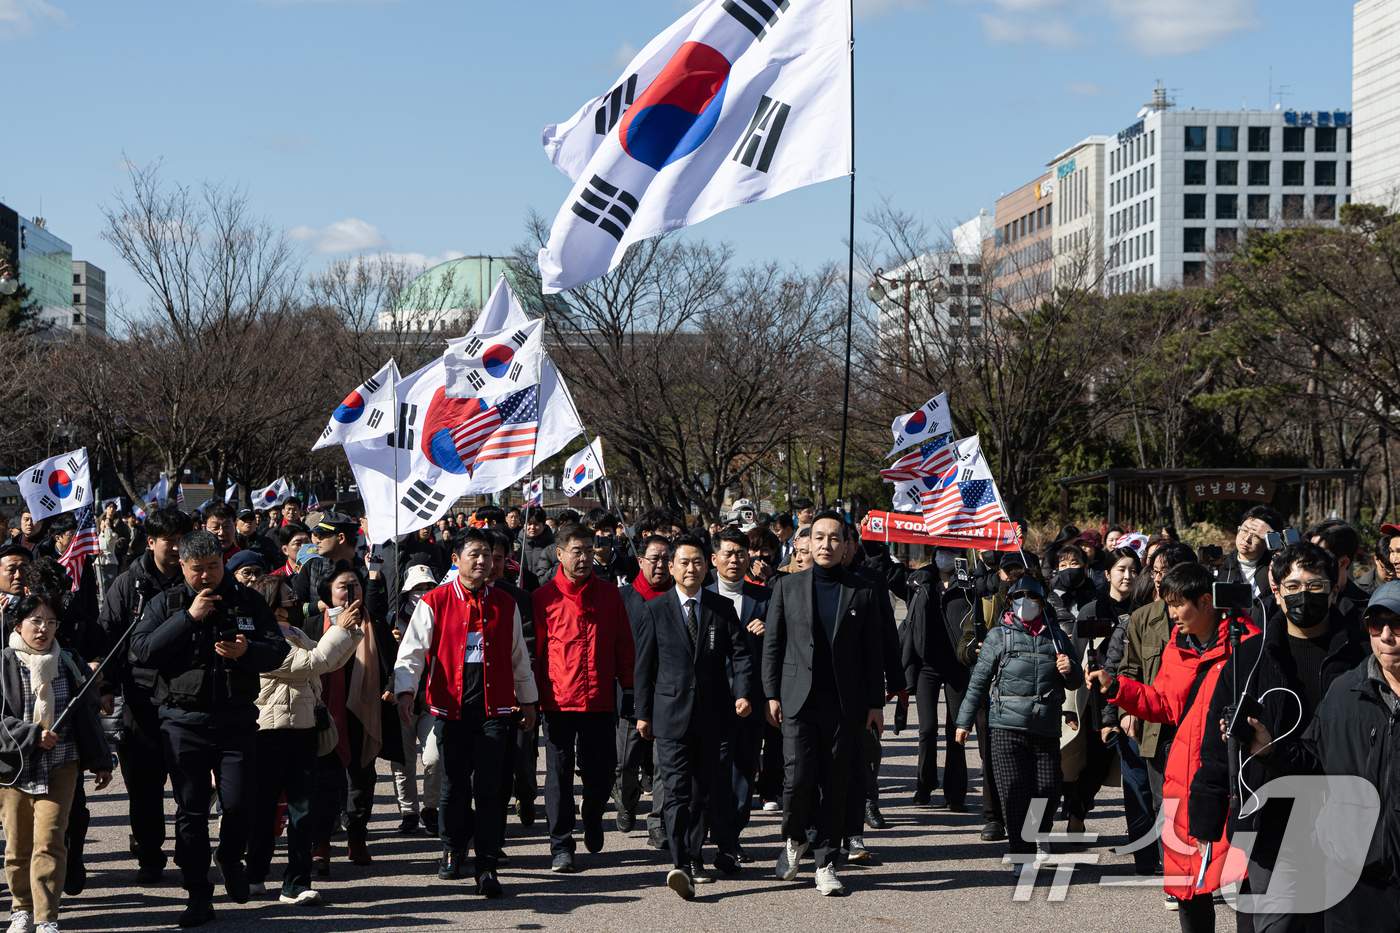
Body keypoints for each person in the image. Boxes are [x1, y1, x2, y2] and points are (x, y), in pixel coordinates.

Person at [1189, 541, 1368, 933]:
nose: (1304, 596)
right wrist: (1206, 818)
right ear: (1277, 592)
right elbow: (1219, 744)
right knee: (1276, 922)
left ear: (1335, 589)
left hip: (1348, 812)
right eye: (1293, 587)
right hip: (1271, 816)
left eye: (1316, 586)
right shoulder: (1250, 658)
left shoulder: (1362, 655)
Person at [129, 530, 290, 928]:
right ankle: (198, 892)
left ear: (223, 561)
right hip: (183, 722)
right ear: (182, 566)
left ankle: (230, 859)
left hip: (236, 721)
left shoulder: (247, 599)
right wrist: (188, 618)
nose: (207, 577)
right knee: (192, 811)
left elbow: (278, 650)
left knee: (239, 804)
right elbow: (142, 651)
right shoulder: (165, 602)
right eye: (197, 570)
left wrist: (248, 651)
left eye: (214, 567)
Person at [1087, 561, 1257, 932]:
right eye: (1167, 604)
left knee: (1247, 881)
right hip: (1183, 775)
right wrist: (1116, 689)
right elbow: (1164, 703)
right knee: (1187, 885)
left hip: (1237, 779)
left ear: (1206, 601)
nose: (1170, 614)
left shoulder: (1248, 645)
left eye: (1178, 605)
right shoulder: (1177, 647)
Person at [1235, 580, 1400, 931]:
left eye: (1398, 624)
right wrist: (1269, 749)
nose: (1387, 635)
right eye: (1376, 624)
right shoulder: (1345, 692)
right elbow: (1313, 764)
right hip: (1352, 878)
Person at [394, 528, 538, 897]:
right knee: (453, 787)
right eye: (474, 554)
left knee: (490, 790)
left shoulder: (506, 604)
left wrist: (528, 700)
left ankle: (487, 864)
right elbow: (411, 652)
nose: (482, 561)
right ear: (455, 560)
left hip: (496, 711)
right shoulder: (435, 601)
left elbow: (518, 657)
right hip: (451, 711)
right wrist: (406, 691)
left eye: (488, 555)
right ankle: (452, 847)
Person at [763, 511, 886, 897]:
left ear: (847, 544)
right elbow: (774, 644)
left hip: (844, 704)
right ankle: (794, 837)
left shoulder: (861, 591)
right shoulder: (786, 586)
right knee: (797, 779)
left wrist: (875, 704)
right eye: (819, 538)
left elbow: (872, 654)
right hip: (797, 700)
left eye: (835, 539)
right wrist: (770, 693)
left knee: (835, 784)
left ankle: (826, 862)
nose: (826, 545)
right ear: (808, 543)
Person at [635, 535, 753, 899]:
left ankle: (696, 856)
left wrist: (743, 692)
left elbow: (741, 655)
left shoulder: (720, 607)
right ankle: (680, 861)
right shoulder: (655, 609)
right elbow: (644, 666)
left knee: (703, 793)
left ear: (708, 565)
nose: (692, 568)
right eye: (684, 562)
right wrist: (642, 713)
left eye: (698, 562)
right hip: (670, 716)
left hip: (712, 714)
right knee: (675, 792)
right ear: (671, 567)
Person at [244, 574, 359, 907]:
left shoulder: (294, 632)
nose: (295, 598)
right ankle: (255, 873)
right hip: (270, 733)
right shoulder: (260, 639)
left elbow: (329, 663)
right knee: (265, 809)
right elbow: (313, 662)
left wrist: (349, 631)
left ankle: (295, 883)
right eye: (289, 595)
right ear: (272, 602)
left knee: (303, 810)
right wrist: (340, 629)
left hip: (304, 729)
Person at [0, 592, 112, 933]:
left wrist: (101, 760)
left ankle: (47, 917)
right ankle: (21, 908)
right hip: (14, 767)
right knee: (17, 846)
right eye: (35, 621)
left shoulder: (67, 661)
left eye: (50, 622)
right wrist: (31, 734)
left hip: (62, 763)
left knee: (49, 840)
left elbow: (86, 716)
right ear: (18, 624)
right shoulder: (3, 663)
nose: (43, 629)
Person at [956, 573, 1082, 874]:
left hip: (1046, 726)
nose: (1025, 602)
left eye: (1032, 596)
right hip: (1006, 727)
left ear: (1042, 602)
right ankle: (1021, 854)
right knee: (1014, 792)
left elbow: (1076, 680)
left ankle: (1037, 833)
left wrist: (1070, 669)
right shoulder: (1000, 636)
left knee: (1049, 789)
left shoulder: (1057, 636)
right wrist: (964, 721)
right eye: (1018, 597)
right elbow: (978, 682)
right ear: (1010, 601)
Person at [96, 506, 193, 886]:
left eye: (183, 541)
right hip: (141, 699)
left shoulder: (199, 579)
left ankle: (191, 852)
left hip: (189, 697)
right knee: (145, 785)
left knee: (191, 782)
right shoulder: (127, 584)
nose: (177, 549)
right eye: (170, 541)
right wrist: (106, 687)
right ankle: (151, 856)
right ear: (151, 542)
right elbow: (110, 638)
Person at [532, 523, 635, 873]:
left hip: (600, 700)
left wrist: (630, 687)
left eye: (590, 550)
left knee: (603, 771)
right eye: (577, 550)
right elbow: (535, 654)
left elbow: (623, 644)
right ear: (559, 554)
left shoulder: (610, 594)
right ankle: (561, 844)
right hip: (557, 702)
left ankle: (592, 814)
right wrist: (529, 699)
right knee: (558, 776)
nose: (585, 557)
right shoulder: (542, 598)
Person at [308, 559, 402, 874]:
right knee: (324, 781)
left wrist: (390, 687)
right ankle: (320, 843)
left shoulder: (375, 624)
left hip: (365, 711)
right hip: (324, 714)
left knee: (362, 779)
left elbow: (394, 664)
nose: (351, 592)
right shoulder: (311, 625)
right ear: (328, 593)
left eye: (356, 585)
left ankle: (357, 837)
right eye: (343, 587)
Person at [706, 528, 770, 862]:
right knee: (716, 769)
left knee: (745, 770)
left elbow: (780, 645)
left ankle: (733, 834)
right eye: (728, 554)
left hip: (752, 700)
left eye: (741, 553)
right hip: (711, 699)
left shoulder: (765, 598)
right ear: (714, 558)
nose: (735, 560)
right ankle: (721, 837)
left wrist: (768, 629)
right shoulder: (701, 597)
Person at [1096, 547, 1158, 876]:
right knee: (1138, 791)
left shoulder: (1183, 630)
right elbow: (1112, 674)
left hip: (1165, 721)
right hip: (1131, 722)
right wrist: (1113, 718)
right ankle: (1146, 861)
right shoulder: (1127, 627)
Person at [902, 547, 973, 812]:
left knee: (957, 730)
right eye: (942, 550)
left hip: (957, 665)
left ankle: (955, 793)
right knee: (927, 729)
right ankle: (924, 785)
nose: (946, 556)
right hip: (926, 665)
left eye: (952, 551)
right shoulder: (920, 579)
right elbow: (888, 573)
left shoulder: (969, 580)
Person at [616, 535, 671, 843]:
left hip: (667, 693)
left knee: (664, 762)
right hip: (630, 693)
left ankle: (658, 822)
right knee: (626, 761)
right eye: (654, 559)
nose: (660, 565)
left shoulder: (677, 597)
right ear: (640, 562)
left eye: (666, 559)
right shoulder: (622, 598)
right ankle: (625, 801)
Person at [387, 564, 442, 836]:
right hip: (398, 700)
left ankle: (431, 808)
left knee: (433, 757)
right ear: (407, 591)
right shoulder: (391, 619)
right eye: (417, 588)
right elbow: (384, 660)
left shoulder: (442, 615)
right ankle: (408, 811)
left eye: (428, 587)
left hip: (430, 701)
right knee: (403, 762)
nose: (422, 593)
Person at [1221, 506, 1286, 599]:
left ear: (1266, 541)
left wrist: (1273, 538)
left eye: (1256, 536)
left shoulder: (1273, 568)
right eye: (1244, 531)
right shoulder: (1220, 566)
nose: (1246, 539)